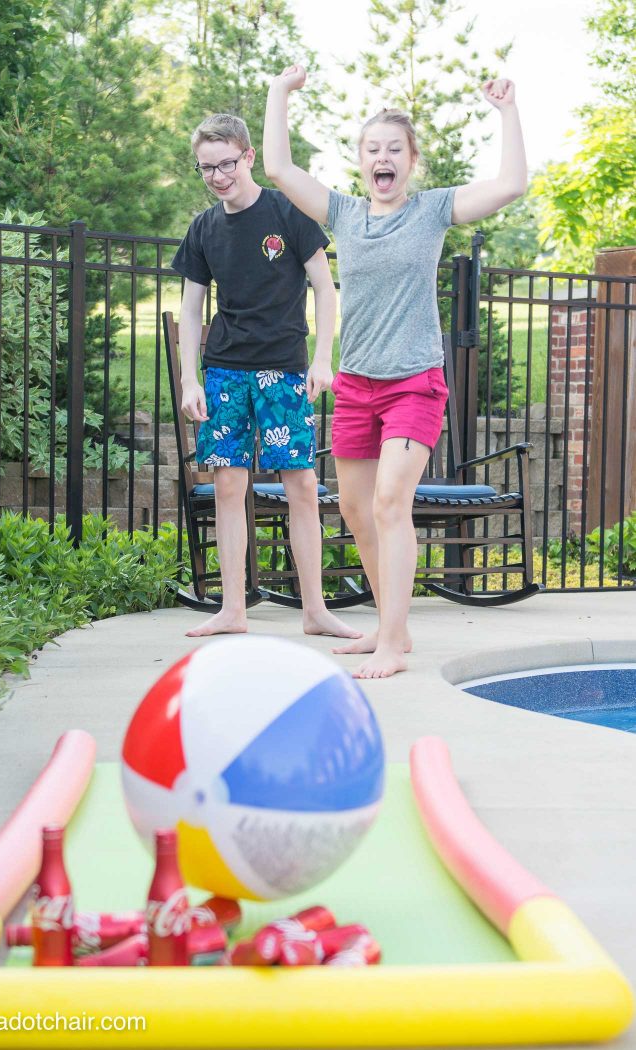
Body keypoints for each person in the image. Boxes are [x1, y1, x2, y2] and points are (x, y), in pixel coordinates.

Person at [264, 69, 527, 678]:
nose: (383, 158)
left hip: (413, 382)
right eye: (372, 149)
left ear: (411, 161)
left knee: (389, 503)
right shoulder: (345, 213)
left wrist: (507, 112)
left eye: (394, 150)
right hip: (356, 384)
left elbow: (512, 184)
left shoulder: (432, 211)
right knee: (355, 510)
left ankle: (391, 642)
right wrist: (280, 93)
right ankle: (392, 627)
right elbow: (278, 168)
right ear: (361, 161)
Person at [172, 113, 362, 641]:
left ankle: (316, 610)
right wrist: (191, 379)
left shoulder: (288, 211)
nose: (217, 176)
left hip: (283, 369)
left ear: (249, 156)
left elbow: (325, 288)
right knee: (229, 485)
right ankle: (233, 609)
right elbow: (191, 311)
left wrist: (323, 358)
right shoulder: (204, 228)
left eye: (226, 163)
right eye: (206, 167)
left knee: (300, 484)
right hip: (226, 371)